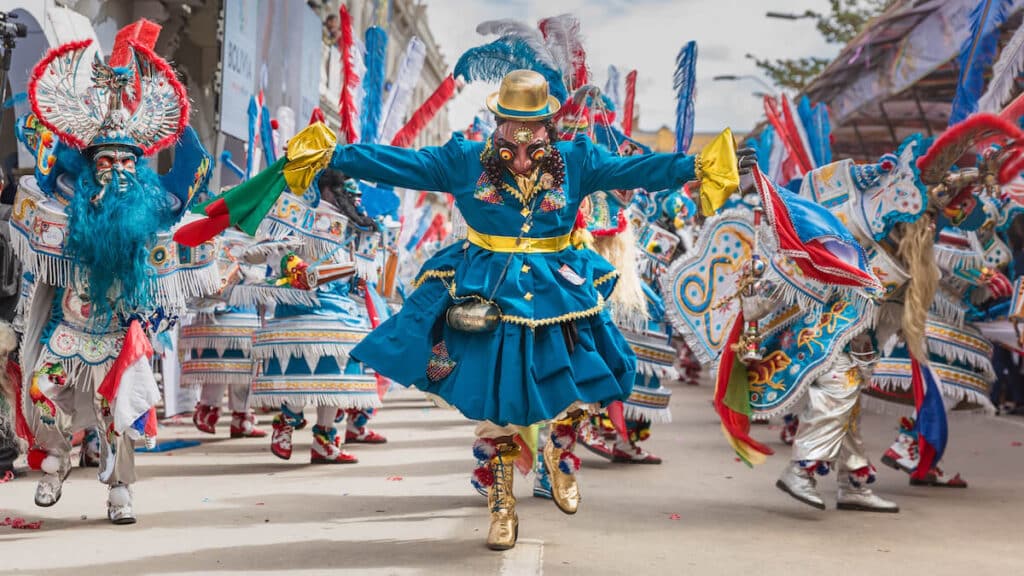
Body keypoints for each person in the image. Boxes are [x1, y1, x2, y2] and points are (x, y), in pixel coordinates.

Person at [12, 32, 215, 523]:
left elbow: (193, 171)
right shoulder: (66, 203)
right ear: (90, 166)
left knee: (119, 414)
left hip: (120, 334)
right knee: (42, 391)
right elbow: (36, 145)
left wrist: (180, 115)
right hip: (68, 327)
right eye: (106, 162)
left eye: (128, 162)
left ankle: (121, 487)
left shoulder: (154, 212)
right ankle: (57, 457)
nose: (118, 171)